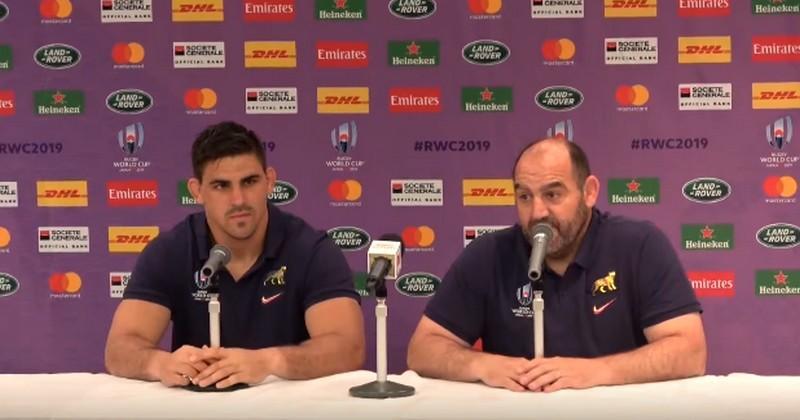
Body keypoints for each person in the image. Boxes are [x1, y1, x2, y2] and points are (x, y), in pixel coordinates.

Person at [407, 138, 706, 392]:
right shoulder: (489, 254)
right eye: (524, 196)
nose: (538, 212)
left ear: (589, 192)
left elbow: (689, 352)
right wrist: (482, 363)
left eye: (553, 194)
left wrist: (595, 372)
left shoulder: (639, 244)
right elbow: (422, 349)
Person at [105, 121, 365, 389]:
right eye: (221, 186)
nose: (239, 199)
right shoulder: (170, 250)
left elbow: (347, 348)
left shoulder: (311, 250)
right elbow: (120, 349)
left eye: (250, 181)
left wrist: (267, 362)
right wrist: (160, 364)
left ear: (270, 181)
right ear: (197, 191)